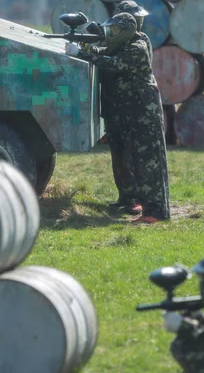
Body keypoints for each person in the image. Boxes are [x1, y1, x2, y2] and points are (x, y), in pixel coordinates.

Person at [65, 11, 170, 223]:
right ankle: (131, 200)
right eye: (110, 30)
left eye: (115, 31)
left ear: (127, 31)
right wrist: (87, 48)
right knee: (128, 159)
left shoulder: (137, 47)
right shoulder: (125, 43)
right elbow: (105, 52)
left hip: (143, 114)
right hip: (128, 112)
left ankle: (156, 212)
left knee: (148, 163)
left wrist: (84, 53)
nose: (111, 34)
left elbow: (114, 63)